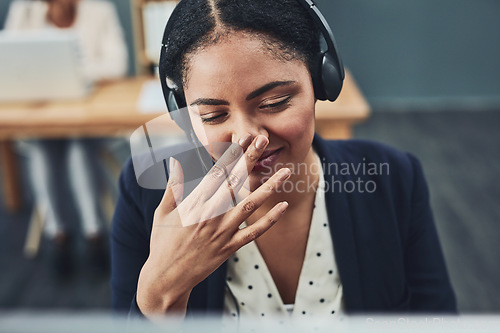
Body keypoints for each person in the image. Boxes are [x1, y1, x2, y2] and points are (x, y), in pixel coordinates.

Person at [111, 0, 456, 321]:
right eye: (214, 116)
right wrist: (157, 299)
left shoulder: (394, 178)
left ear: (322, 82)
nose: (247, 138)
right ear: (181, 113)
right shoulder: (148, 194)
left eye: (274, 102)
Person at [5, 0, 128, 276]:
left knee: (78, 149)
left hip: (89, 119)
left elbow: (117, 63)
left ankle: (93, 233)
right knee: (42, 151)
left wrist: (68, 73)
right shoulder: (23, 11)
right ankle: (57, 234)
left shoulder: (99, 9)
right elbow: (11, 62)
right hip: (43, 116)